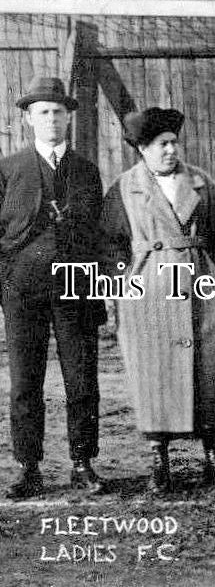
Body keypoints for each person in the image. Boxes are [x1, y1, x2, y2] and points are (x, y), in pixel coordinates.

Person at [100, 107, 215, 493]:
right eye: (162, 145)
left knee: (209, 368)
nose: (170, 151)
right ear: (142, 149)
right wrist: (121, 288)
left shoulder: (201, 181)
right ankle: (159, 460)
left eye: (174, 143)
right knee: (154, 372)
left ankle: (214, 455)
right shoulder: (124, 188)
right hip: (149, 286)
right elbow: (111, 244)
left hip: (200, 283)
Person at [0, 76, 107, 499]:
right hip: (22, 291)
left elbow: (97, 236)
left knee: (82, 379)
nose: (51, 119)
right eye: (42, 112)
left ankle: (83, 462)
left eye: (58, 112)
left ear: (68, 119)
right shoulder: (8, 169)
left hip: (76, 288)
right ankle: (29, 468)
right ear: (28, 119)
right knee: (26, 382)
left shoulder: (86, 171)